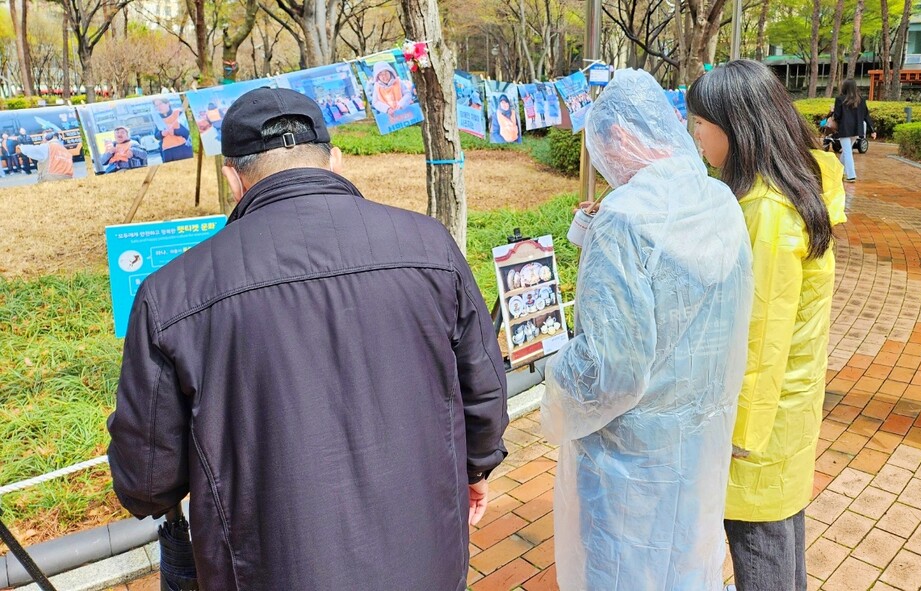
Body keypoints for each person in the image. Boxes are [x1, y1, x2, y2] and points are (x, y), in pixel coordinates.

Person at [107, 88, 509, 591]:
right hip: (425, 554)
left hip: (268, 568)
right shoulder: (431, 247)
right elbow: (484, 388)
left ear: (232, 177)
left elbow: (146, 480)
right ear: (335, 162)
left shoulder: (173, 293)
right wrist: (477, 467)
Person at [540, 68, 754, 591]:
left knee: (623, 571)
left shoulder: (625, 219)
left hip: (628, 462)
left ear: (621, 136)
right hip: (697, 444)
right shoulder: (719, 201)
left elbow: (609, 369)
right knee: (685, 565)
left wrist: (552, 363)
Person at [687, 60, 847, 591]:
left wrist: (738, 435)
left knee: (760, 539)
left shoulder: (766, 211)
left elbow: (760, 334)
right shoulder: (796, 180)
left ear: (735, 127)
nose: (695, 136)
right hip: (786, 401)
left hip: (762, 414)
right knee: (781, 529)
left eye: (699, 124)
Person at [832, 79, 876, 182]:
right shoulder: (861, 100)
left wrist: (833, 112)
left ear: (845, 87)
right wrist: (872, 130)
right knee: (846, 151)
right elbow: (866, 116)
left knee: (847, 151)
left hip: (845, 129)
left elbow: (837, 116)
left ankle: (851, 175)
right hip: (856, 129)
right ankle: (840, 171)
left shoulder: (840, 99)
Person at [152, 97, 193, 162]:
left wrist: (175, 131)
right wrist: (162, 133)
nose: (158, 107)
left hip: (182, 148)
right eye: (156, 106)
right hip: (167, 151)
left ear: (168, 103)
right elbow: (156, 136)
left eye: (160, 104)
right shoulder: (158, 119)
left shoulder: (178, 113)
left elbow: (187, 132)